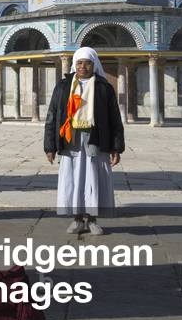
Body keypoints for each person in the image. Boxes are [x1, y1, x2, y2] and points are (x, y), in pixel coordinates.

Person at [43, 47, 124, 236]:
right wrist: (50, 146)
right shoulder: (63, 87)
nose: (83, 67)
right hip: (71, 140)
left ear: (94, 64)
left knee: (93, 179)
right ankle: (78, 219)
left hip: (96, 139)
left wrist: (116, 147)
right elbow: (52, 116)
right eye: (79, 63)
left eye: (87, 63)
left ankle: (93, 220)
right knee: (74, 180)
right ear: (74, 64)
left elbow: (115, 119)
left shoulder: (104, 87)